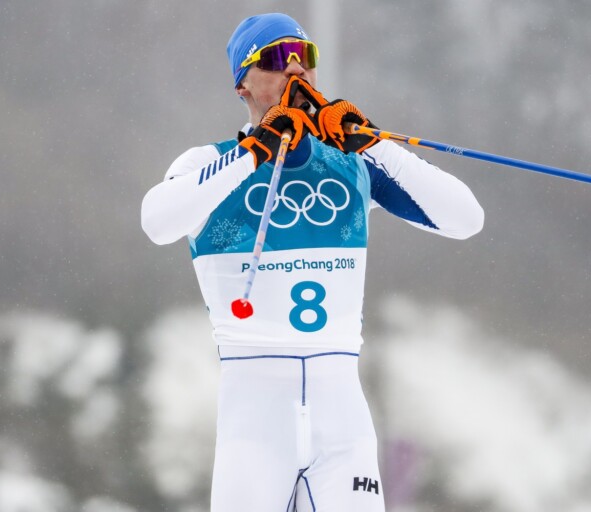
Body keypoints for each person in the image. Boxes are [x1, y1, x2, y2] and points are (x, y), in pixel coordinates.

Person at [141, 12, 484, 512]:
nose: (295, 68)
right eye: (277, 58)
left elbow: (465, 218)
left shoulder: (352, 162)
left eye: (306, 56)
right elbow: (157, 222)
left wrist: (374, 142)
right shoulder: (206, 164)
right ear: (242, 84)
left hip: (341, 418)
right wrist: (254, 151)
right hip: (255, 424)